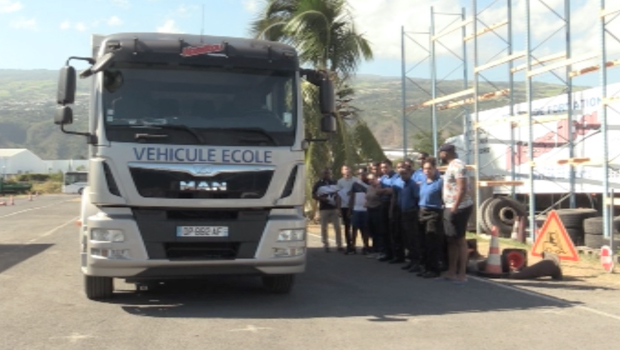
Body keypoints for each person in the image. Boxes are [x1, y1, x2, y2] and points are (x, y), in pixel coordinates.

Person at [439, 143, 474, 284]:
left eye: (440, 152)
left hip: (459, 207)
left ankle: (462, 273)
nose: (439, 155)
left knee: (460, 240)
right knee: (451, 239)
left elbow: (462, 187)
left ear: (445, 153)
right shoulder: (451, 165)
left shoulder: (458, 165)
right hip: (449, 206)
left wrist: (455, 206)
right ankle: (451, 271)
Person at [418, 157, 444, 278]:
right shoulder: (423, 182)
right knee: (423, 241)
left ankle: (434, 269)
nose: (427, 171)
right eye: (425, 169)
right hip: (422, 211)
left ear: (435, 169)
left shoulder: (439, 182)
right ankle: (425, 267)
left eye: (429, 168)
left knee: (432, 242)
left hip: (434, 213)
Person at [393, 162, 421, 271]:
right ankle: (410, 261)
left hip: (411, 213)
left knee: (413, 238)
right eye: (401, 174)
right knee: (407, 239)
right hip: (402, 212)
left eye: (405, 173)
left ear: (409, 173)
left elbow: (417, 198)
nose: (403, 176)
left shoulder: (412, 185)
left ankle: (416, 262)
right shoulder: (400, 184)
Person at [312, 168, 343, 252]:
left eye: (328, 173)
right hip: (324, 208)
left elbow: (339, 195)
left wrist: (339, 208)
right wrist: (321, 199)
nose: (327, 175)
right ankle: (326, 244)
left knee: (337, 227)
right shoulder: (318, 184)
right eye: (325, 173)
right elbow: (314, 195)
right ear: (322, 174)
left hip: (334, 208)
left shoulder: (335, 183)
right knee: (324, 227)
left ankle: (339, 244)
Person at [377, 159, 400, 262]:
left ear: (391, 166)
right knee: (384, 230)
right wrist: (385, 191)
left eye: (386, 167)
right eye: (382, 168)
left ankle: (397, 255)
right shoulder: (382, 178)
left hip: (392, 204)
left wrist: (384, 191)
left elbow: (392, 191)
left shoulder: (396, 177)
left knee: (393, 231)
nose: (384, 169)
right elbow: (378, 191)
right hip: (383, 204)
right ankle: (388, 253)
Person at [346, 168, 371, 255]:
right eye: (359, 174)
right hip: (356, 209)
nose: (361, 175)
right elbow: (352, 197)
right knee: (354, 228)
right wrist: (350, 209)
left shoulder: (369, 183)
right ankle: (353, 247)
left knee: (365, 228)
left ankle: (366, 246)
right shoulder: (355, 184)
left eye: (363, 174)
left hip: (365, 210)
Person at [337, 165, 358, 252]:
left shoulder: (356, 180)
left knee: (355, 226)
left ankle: (353, 244)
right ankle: (348, 245)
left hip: (355, 206)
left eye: (349, 168)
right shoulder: (340, 182)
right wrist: (338, 208)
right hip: (344, 206)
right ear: (342, 171)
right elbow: (338, 195)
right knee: (347, 226)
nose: (347, 170)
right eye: (345, 169)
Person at [364, 172, 385, 259]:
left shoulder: (380, 187)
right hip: (370, 209)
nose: (371, 181)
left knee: (378, 231)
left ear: (377, 178)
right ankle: (375, 249)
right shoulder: (369, 188)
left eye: (372, 179)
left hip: (377, 209)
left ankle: (381, 250)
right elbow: (367, 198)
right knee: (371, 230)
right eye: (369, 180)